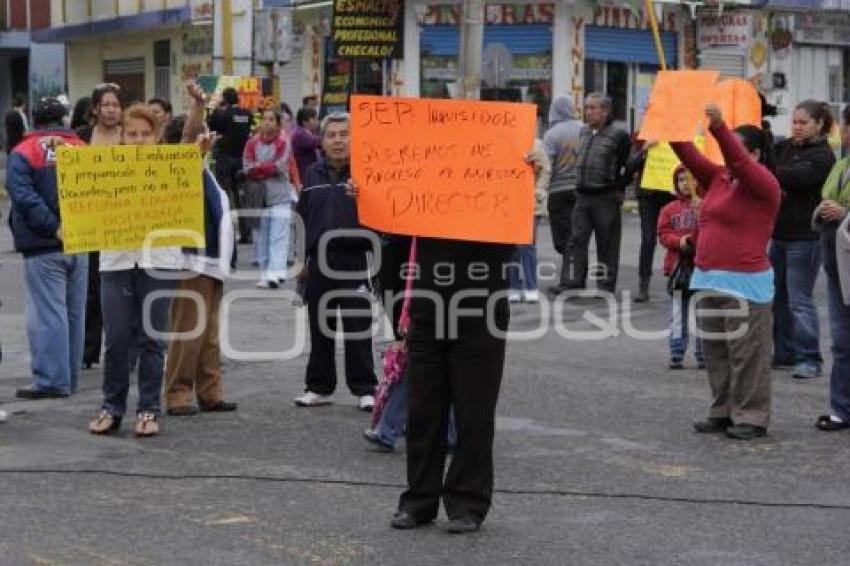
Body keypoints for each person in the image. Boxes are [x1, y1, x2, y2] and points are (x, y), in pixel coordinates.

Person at [671, 105, 781, 441]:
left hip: (746, 285)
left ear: (756, 153)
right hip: (708, 279)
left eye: (735, 145)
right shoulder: (718, 178)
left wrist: (719, 128)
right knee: (717, 353)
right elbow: (686, 153)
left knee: (747, 354)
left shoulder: (765, 185)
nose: (727, 153)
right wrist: (667, 119)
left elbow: (740, 163)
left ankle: (751, 415)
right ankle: (722, 410)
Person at [390, 237, 514, 535]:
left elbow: (516, 227)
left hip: (481, 309)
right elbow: (393, 219)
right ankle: (419, 501)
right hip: (427, 307)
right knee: (422, 412)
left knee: (474, 414)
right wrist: (367, 193)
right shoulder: (425, 194)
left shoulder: (502, 190)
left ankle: (468, 503)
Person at [88, 103, 182, 437]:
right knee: (115, 339)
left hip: (160, 261)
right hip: (116, 260)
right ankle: (111, 407)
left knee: (152, 339)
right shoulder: (105, 169)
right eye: (133, 134)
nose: (139, 139)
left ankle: (148, 409)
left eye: (146, 134)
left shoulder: (173, 167)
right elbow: (83, 201)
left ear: (157, 137)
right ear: (123, 137)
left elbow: (193, 144)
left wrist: (199, 111)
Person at [163, 83, 238, 416]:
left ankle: (210, 392)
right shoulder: (181, 166)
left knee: (208, 334)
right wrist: (197, 107)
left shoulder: (205, 169)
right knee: (188, 331)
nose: (208, 137)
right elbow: (188, 136)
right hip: (192, 259)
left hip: (212, 263)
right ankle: (178, 393)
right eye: (203, 133)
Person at [293, 112, 377, 410]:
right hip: (318, 261)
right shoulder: (312, 173)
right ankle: (319, 387)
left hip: (355, 259)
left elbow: (381, 217)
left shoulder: (367, 173)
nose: (338, 141)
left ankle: (366, 389)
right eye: (332, 135)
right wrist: (300, 260)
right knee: (320, 326)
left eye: (345, 134)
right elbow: (302, 217)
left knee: (358, 326)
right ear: (323, 140)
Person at [6, 98, 87, 399]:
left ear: (35, 121)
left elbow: (24, 198)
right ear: (64, 119)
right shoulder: (83, 148)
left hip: (43, 245)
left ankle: (52, 380)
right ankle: (70, 376)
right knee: (74, 314)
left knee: (47, 313)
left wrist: (53, 226)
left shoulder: (23, 152)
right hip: (81, 242)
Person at [770, 100, 836, 379]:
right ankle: (784, 353)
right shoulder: (783, 148)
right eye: (794, 122)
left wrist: (768, 169)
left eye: (803, 122)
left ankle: (810, 357)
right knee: (778, 298)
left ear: (818, 124)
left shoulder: (823, 156)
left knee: (799, 300)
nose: (796, 127)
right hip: (779, 234)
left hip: (805, 238)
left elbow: (794, 178)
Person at [552, 92, 631, 295]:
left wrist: (619, 189)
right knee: (576, 240)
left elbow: (628, 166)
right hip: (582, 195)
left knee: (607, 244)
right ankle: (572, 282)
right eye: (586, 108)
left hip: (606, 196)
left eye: (593, 108)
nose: (588, 112)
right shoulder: (584, 132)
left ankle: (605, 286)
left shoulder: (619, 135)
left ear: (605, 110)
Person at [76, 84, 125, 370]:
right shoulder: (82, 137)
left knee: (124, 287)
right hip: (92, 221)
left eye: (116, 105)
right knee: (92, 288)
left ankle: (126, 349)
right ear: (95, 109)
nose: (111, 110)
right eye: (106, 104)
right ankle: (88, 351)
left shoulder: (131, 137)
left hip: (124, 222)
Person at [813, 105, 850, 431]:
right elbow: (826, 199)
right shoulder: (841, 165)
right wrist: (824, 209)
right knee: (840, 340)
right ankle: (841, 408)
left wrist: (844, 214)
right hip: (838, 266)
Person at [243, 108, 300, 289]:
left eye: (271, 120)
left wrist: (259, 167)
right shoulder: (252, 143)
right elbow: (246, 167)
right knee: (261, 237)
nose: (266, 123)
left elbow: (280, 167)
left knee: (279, 236)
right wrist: (262, 167)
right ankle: (265, 273)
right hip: (259, 198)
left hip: (280, 195)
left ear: (278, 123)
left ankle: (276, 273)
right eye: (264, 119)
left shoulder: (284, 142)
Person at [658, 166, 703, 370]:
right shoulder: (669, 209)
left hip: (703, 267)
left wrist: (702, 213)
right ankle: (677, 351)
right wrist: (679, 241)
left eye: (691, 179)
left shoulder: (705, 206)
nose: (686, 183)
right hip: (678, 269)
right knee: (678, 312)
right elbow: (663, 234)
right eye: (682, 180)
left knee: (703, 312)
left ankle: (703, 353)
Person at [543, 96, 584, 290]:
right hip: (582, 190)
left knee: (563, 240)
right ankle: (577, 278)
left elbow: (546, 165)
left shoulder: (551, 135)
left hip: (558, 191)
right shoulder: (584, 129)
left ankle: (568, 281)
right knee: (577, 236)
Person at [207, 87, 253, 243]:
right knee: (241, 197)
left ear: (225, 99)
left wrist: (215, 108)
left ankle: (227, 234)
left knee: (224, 196)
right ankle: (246, 233)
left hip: (225, 159)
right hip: (242, 159)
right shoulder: (247, 114)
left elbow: (211, 124)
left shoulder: (223, 114)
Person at [632, 140, 675, 302]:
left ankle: (679, 278)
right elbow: (631, 164)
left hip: (670, 190)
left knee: (677, 237)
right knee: (648, 239)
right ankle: (644, 285)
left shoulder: (676, 131)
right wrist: (643, 150)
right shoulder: (644, 134)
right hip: (648, 193)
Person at [508, 139, 551, 303]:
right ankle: (514, 286)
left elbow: (546, 169)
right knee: (513, 246)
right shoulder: (506, 142)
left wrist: (538, 190)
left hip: (530, 202)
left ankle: (530, 287)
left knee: (527, 245)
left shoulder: (536, 144)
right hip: (509, 202)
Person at [291, 106, 323, 182]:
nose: (317, 122)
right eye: (314, 119)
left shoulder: (301, 131)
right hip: (303, 175)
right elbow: (318, 142)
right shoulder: (300, 134)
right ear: (305, 122)